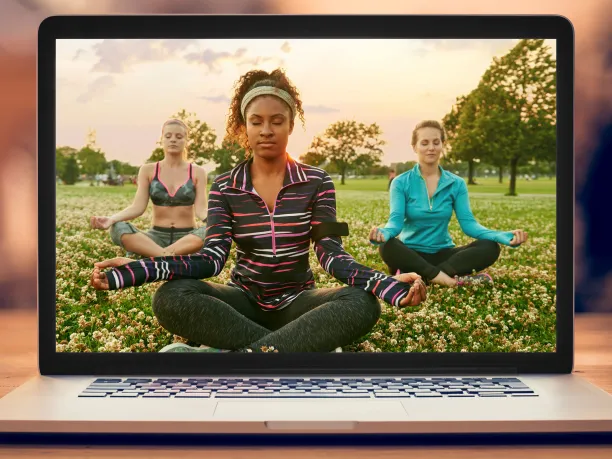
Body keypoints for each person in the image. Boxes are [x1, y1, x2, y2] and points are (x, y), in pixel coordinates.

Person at [90, 68, 427, 353]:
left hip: (299, 303)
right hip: (242, 303)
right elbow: (211, 259)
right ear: (244, 127)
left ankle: (232, 355)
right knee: (172, 296)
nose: (267, 130)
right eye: (257, 121)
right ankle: (293, 351)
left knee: (361, 302)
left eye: (277, 121)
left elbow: (332, 255)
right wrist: (138, 268)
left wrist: (387, 285)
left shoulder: (318, 181)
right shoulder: (225, 186)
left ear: (291, 125)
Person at [369, 120, 528, 287]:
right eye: (424, 143)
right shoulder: (400, 182)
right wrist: (384, 234)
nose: (431, 147)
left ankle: (423, 277)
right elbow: (395, 223)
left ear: (442, 145)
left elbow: (469, 225)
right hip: (410, 254)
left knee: (490, 247)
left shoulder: (456, 183)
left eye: (436, 142)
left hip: (444, 254)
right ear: (415, 147)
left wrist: (500, 236)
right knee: (387, 246)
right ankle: (449, 281)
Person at [89, 119, 208, 258]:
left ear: (186, 140)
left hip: (188, 238)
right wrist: (111, 219)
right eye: (168, 136)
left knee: (212, 230)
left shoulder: (198, 172)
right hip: (155, 238)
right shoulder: (148, 170)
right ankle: (169, 256)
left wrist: (218, 223)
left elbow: (201, 210)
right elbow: (137, 207)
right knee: (117, 228)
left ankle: (155, 257)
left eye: (179, 137)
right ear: (161, 140)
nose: (173, 140)